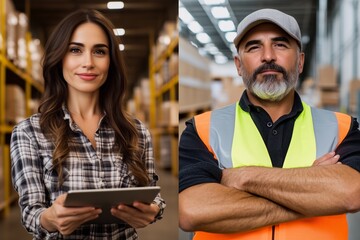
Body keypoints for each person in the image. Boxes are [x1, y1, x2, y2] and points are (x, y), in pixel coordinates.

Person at [178, 8, 360, 240]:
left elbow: (352, 193)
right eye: (254, 47)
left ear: (301, 61)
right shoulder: (203, 130)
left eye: (280, 45)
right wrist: (314, 197)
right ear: (238, 65)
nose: (268, 56)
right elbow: (193, 211)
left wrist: (243, 177)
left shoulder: (340, 127)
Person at [10, 9, 165, 240]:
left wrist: (153, 211)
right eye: (75, 50)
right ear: (59, 57)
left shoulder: (136, 131)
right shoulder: (29, 133)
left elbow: (153, 194)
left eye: (99, 52)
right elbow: (31, 213)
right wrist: (50, 218)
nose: (88, 63)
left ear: (111, 61)